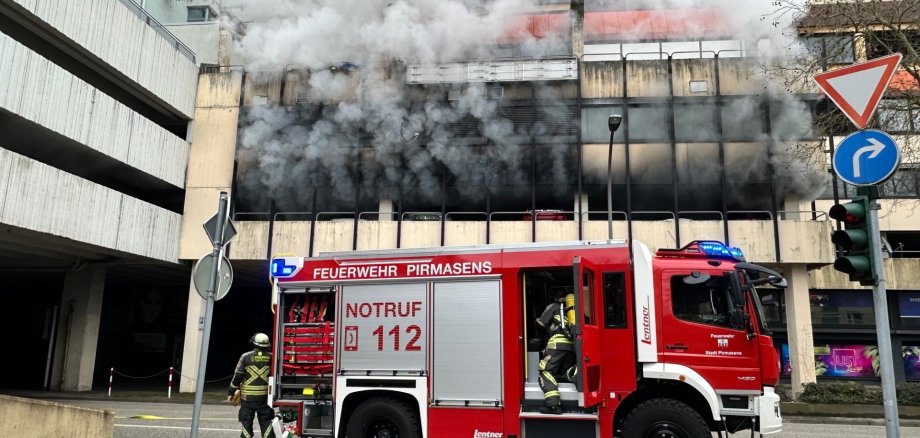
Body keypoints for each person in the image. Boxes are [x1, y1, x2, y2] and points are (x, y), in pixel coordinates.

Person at [535, 289, 576, 415]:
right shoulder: (575, 309)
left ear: (555, 298)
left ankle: (553, 406)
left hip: (556, 345)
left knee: (545, 371)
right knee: (566, 372)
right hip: (572, 345)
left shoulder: (553, 307)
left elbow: (540, 324)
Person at [229, 333, 275, 438]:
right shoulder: (272, 357)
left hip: (247, 398)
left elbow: (238, 376)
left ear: (254, 343)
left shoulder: (245, 356)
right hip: (264, 397)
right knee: (266, 421)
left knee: (246, 421)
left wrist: (231, 392)